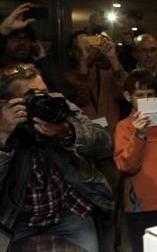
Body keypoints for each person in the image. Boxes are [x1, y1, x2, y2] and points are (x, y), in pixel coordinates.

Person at [0, 64, 113, 252]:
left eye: (44, 92)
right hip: (15, 219)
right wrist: (3, 135)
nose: (42, 100)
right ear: (7, 103)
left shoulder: (56, 105)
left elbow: (104, 142)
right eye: (31, 96)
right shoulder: (2, 121)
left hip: (67, 212)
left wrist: (67, 132)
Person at [63, 30, 127, 252]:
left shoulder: (106, 75)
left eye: (90, 45)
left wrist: (112, 58)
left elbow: (125, 90)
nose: (88, 50)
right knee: (85, 213)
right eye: (82, 47)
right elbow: (77, 98)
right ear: (72, 51)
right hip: (81, 156)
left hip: (109, 152)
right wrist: (82, 64)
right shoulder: (68, 78)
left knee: (110, 210)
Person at [113, 70, 157, 252]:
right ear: (128, 97)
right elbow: (126, 166)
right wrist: (139, 135)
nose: (145, 100)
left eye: (150, 95)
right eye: (140, 96)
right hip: (140, 208)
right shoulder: (124, 127)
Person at [0, 3, 74, 99]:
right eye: (15, 38)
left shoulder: (38, 69)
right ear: (5, 41)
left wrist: (43, 60)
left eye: (26, 38)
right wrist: (2, 30)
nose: (22, 43)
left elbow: (67, 95)